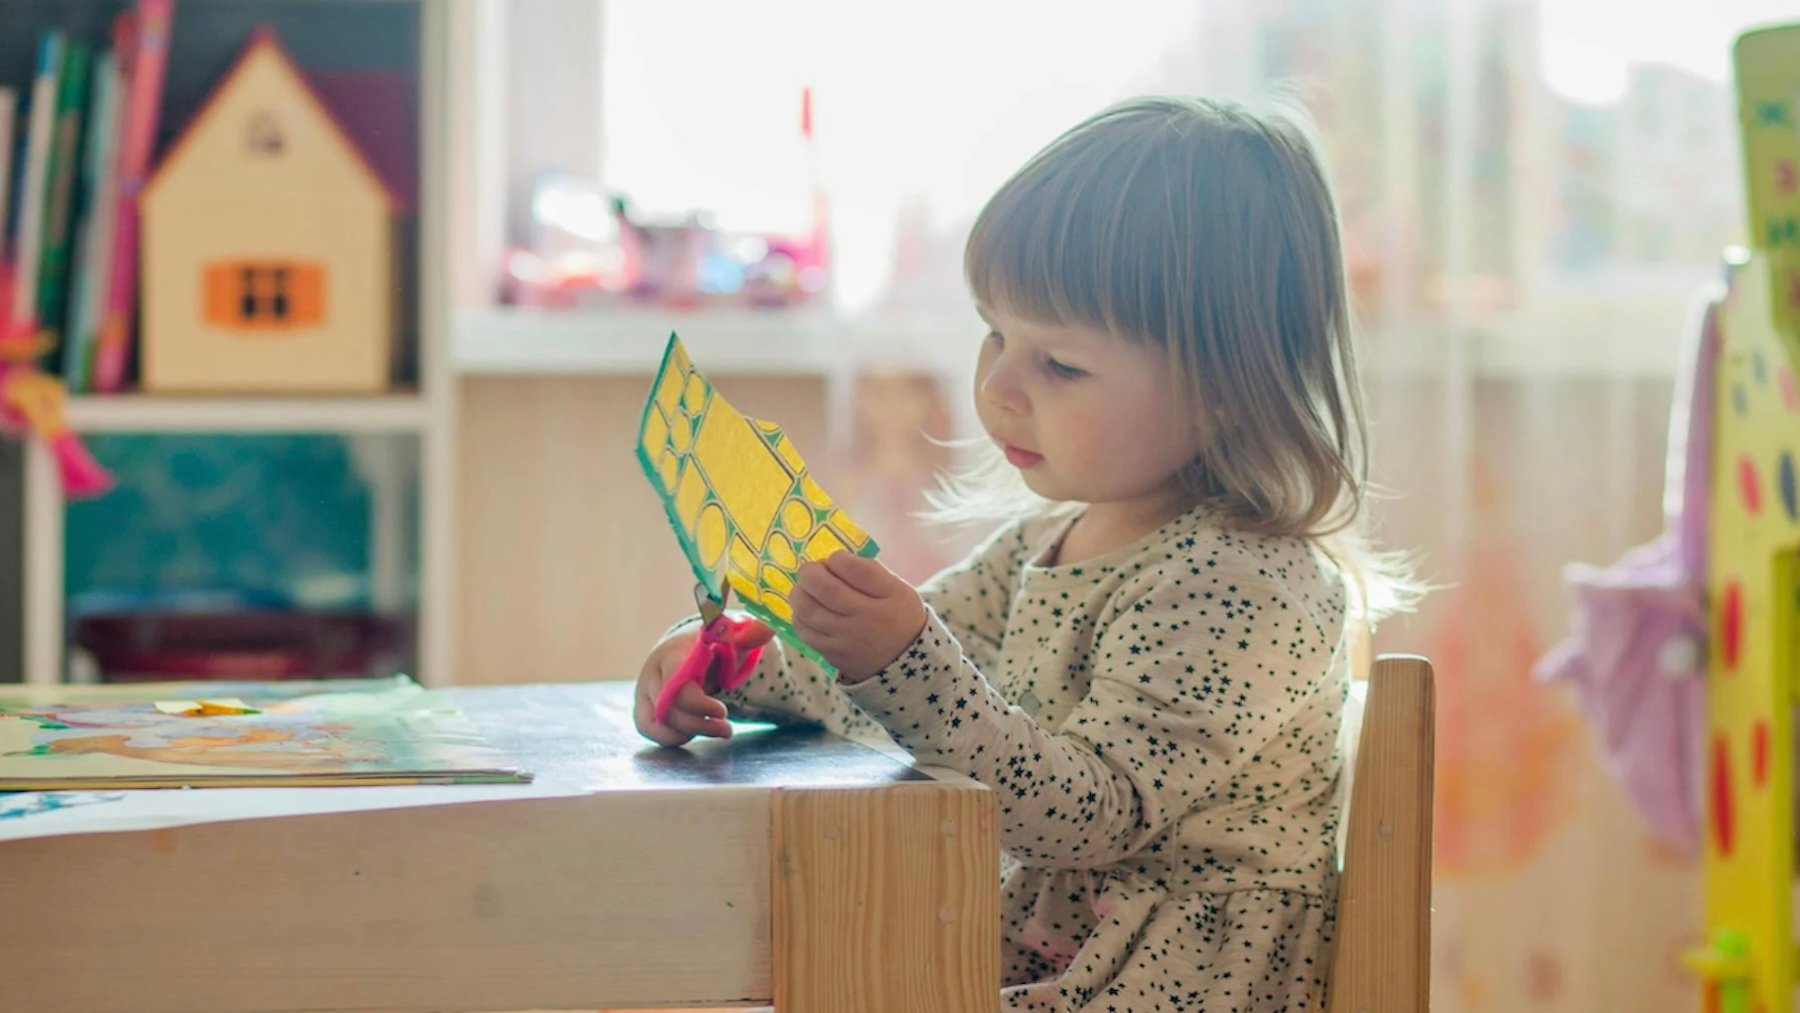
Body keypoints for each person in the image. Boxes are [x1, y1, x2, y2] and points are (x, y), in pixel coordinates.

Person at [635, 95, 1420, 1011]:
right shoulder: (1044, 544)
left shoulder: (1248, 587)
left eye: (1062, 365)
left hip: (1162, 985)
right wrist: (737, 663)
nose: (998, 387)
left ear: (1228, 388)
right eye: (996, 334)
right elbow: (900, 692)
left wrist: (899, 657)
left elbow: (1087, 814)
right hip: (1050, 958)